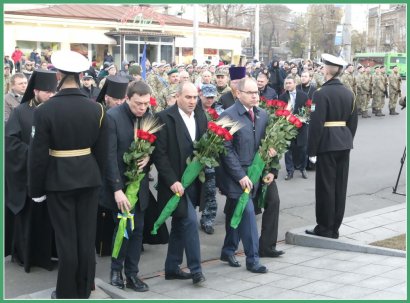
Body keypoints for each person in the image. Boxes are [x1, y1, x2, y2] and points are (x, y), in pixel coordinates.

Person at [28, 50, 108, 299]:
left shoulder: (44, 111)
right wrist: (99, 180)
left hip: (59, 181)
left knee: (66, 240)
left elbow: (37, 157)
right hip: (89, 180)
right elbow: (103, 153)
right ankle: (84, 289)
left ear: (59, 75)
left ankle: (66, 291)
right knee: (86, 237)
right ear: (82, 75)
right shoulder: (97, 109)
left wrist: (36, 191)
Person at [216, 77, 275, 274]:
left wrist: (270, 155)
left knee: (236, 212)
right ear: (238, 94)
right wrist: (240, 175)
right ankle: (253, 259)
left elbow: (263, 143)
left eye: (256, 92)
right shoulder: (228, 115)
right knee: (248, 214)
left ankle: (228, 249)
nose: (254, 96)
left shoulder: (262, 115)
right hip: (236, 176)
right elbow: (225, 149)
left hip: (254, 173)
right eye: (250, 93)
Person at [99, 81, 153, 292]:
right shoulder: (113, 118)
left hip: (138, 186)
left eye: (146, 103)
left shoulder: (148, 116)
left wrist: (148, 157)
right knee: (123, 229)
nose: (142, 108)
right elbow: (109, 157)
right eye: (138, 103)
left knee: (137, 230)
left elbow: (154, 145)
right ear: (127, 98)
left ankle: (132, 274)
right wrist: (117, 189)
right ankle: (115, 271)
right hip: (119, 187)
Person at [153, 81, 207, 285]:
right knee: (190, 223)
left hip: (195, 183)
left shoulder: (201, 116)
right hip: (175, 185)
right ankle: (196, 270)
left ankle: (172, 267)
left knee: (179, 224)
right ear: (177, 96)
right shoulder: (164, 117)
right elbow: (160, 155)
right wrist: (172, 181)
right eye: (188, 97)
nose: (192, 101)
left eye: (195, 97)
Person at [5, 70, 58, 273]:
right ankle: (27, 256)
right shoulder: (20, 112)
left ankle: (49, 254)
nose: (51, 95)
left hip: (52, 173)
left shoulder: (55, 110)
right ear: (35, 91)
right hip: (28, 174)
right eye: (47, 92)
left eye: (53, 91)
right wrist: (35, 153)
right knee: (29, 218)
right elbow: (10, 143)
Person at [305, 54, 358, 239]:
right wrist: (346, 139)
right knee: (339, 186)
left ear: (327, 70)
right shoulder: (349, 93)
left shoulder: (321, 93)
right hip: (344, 143)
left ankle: (325, 227)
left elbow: (316, 124)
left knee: (325, 187)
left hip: (327, 145)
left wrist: (312, 151)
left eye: (323, 66)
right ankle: (334, 226)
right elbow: (353, 122)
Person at [197, 84, 218, 235]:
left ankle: (208, 219)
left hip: (211, 158)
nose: (209, 100)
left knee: (210, 191)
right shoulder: (194, 111)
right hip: (195, 157)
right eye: (207, 96)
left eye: (212, 97)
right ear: (200, 95)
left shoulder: (219, 111)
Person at [279, 76, 309, 180]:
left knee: (303, 149)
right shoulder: (282, 97)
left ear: (295, 83)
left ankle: (303, 168)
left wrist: (306, 116)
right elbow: (280, 111)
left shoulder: (303, 95)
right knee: (288, 150)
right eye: (286, 83)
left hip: (301, 126)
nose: (288, 85)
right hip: (288, 127)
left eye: (290, 83)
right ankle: (290, 171)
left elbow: (310, 107)